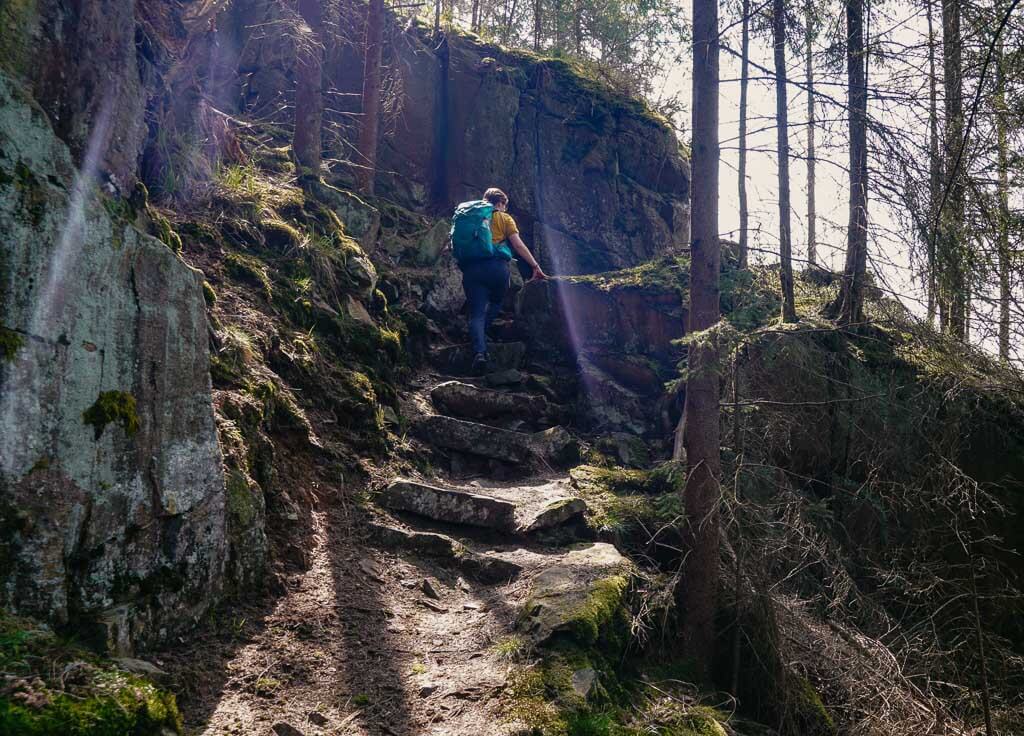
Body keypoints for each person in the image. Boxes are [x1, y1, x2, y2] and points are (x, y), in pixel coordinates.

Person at [461, 187, 547, 374]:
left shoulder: (471, 215)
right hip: (497, 267)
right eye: (504, 205)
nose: (505, 208)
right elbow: (517, 244)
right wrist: (535, 266)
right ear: (501, 203)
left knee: (476, 313)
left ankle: (480, 352)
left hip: (472, 269)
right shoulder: (504, 218)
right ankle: (481, 335)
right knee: (497, 301)